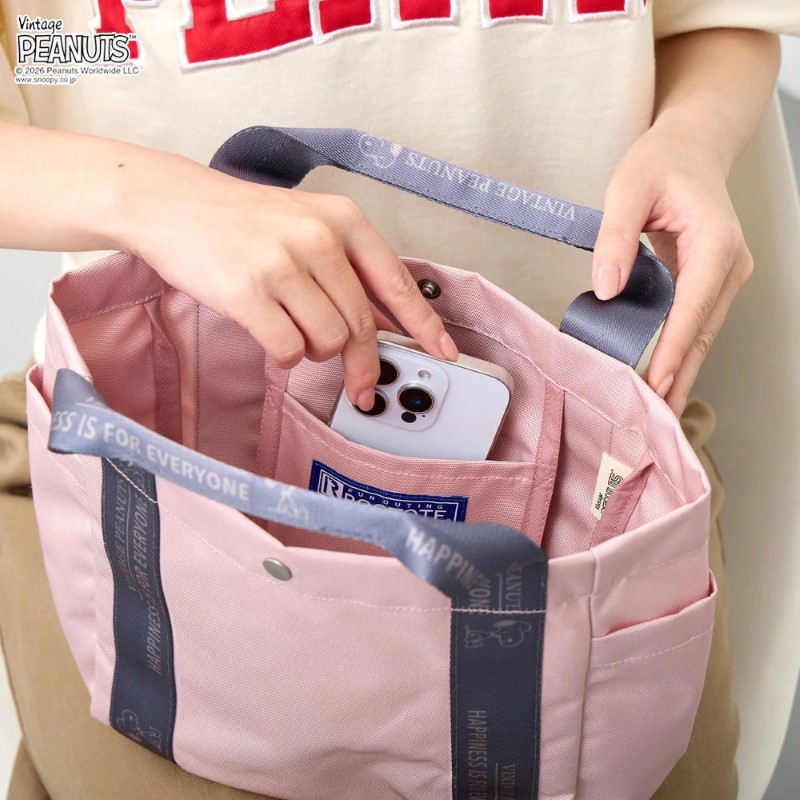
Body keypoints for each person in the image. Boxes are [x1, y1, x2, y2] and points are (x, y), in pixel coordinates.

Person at [0, 1, 798, 797]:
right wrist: (154, 198)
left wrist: (694, 135)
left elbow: (707, 18)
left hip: (597, 489)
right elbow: (53, 64)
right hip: (148, 467)